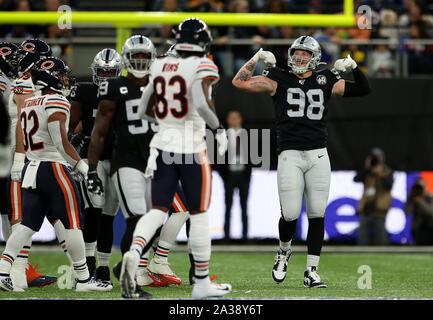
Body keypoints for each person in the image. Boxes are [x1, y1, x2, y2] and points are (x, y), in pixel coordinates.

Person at [232, 36, 371, 288]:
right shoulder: (278, 78)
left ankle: (311, 271)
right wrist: (256, 57)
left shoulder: (326, 78)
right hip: (290, 154)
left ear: (314, 57)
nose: (299, 57)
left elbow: (363, 89)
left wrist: (353, 67)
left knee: (318, 213)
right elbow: (239, 82)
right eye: (296, 53)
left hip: (318, 154)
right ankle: (283, 251)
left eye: (305, 54)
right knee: (291, 213)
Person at [120, 17, 232, 299]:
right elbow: (201, 101)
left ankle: (134, 255)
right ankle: (202, 282)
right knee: (199, 213)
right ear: (203, 40)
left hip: (162, 147)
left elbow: (145, 108)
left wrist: (165, 122)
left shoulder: (157, 65)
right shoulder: (202, 64)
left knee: (157, 210)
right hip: (191, 148)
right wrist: (218, 129)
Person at [0, 57, 110, 292]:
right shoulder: (56, 100)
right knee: (72, 224)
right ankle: (83, 280)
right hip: (53, 168)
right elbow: (60, 142)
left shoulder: (30, 102)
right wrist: (83, 168)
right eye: (61, 75)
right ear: (50, 78)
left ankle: (2, 271)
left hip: (33, 167)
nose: (65, 79)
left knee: (26, 225)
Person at [7, 39, 62, 289]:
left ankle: (18, 268)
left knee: (26, 211)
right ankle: (16, 271)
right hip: (19, 152)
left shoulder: (29, 81)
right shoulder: (23, 83)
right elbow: (21, 122)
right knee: (21, 211)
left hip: (27, 152)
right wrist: (20, 157)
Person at [68, 48, 123, 289]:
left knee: (109, 215)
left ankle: (103, 267)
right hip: (93, 159)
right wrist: (73, 139)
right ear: (94, 72)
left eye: (111, 72)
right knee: (93, 211)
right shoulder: (86, 91)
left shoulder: (126, 92)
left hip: (117, 159)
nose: (107, 77)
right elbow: (69, 126)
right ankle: (88, 264)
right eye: (103, 72)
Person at [218, 110, 251, 242]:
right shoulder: (223, 136)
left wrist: (248, 172)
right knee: (228, 205)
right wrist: (224, 175)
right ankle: (226, 235)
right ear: (227, 120)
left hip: (243, 174)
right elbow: (219, 156)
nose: (234, 120)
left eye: (237, 117)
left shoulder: (247, 134)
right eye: (231, 118)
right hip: (229, 175)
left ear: (241, 119)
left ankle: (245, 236)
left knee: (244, 205)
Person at [354, 147, 394, 246]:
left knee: (380, 236)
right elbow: (356, 179)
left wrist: (380, 174)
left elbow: (389, 185)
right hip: (366, 208)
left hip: (380, 209)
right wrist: (366, 168)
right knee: (363, 237)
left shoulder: (387, 171)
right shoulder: (367, 171)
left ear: (382, 159)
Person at [404, 178, 433, 245]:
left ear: (425, 187)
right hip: (417, 228)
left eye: (421, 187)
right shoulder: (412, 198)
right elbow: (407, 212)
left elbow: (431, 211)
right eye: (418, 187)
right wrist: (412, 199)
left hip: (430, 228)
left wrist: (421, 202)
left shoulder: (430, 197)